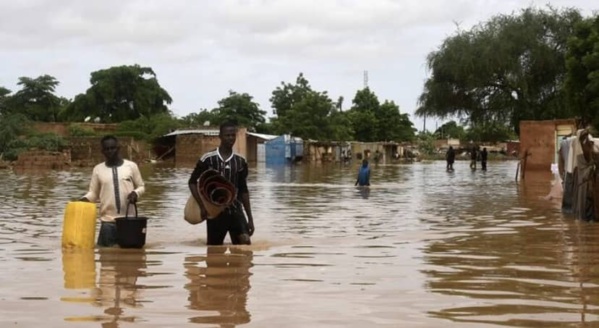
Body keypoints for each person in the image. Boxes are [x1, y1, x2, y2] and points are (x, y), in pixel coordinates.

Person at [188, 121, 255, 245]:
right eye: (227, 135)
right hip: (215, 212)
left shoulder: (240, 161)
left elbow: (243, 189)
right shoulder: (208, 159)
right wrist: (202, 207)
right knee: (213, 251)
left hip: (236, 211)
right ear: (220, 136)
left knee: (245, 247)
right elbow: (192, 182)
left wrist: (250, 219)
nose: (230, 138)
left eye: (233, 135)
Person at [80, 135, 145, 247]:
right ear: (102, 151)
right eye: (106, 149)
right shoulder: (98, 169)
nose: (110, 151)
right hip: (108, 222)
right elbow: (93, 193)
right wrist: (83, 200)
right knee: (106, 258)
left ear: (118, 148)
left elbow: (141, 186)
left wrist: (135, 193)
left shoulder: (131, 166)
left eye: (112, 148)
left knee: (130, 260)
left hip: (128, 221)